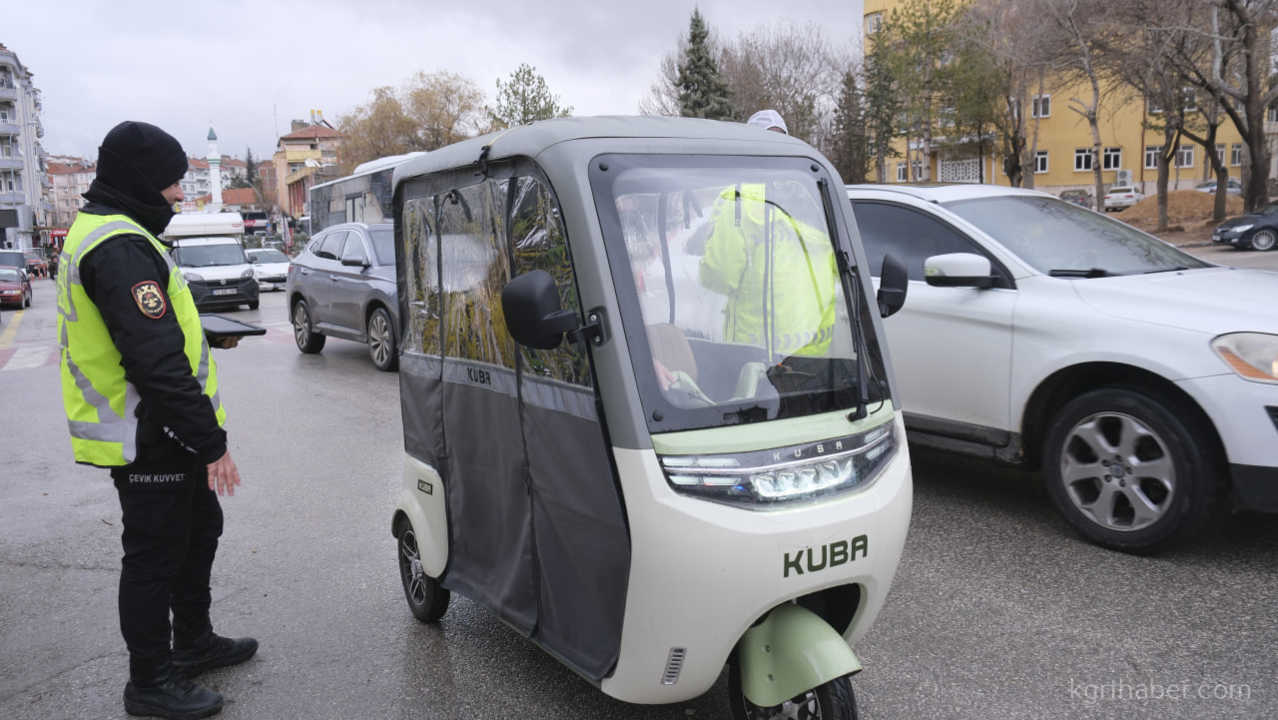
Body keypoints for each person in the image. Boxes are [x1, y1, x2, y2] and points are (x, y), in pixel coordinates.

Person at [56, 121, 256, 719]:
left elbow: (152, 335)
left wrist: (206, 339)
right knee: (153, 555)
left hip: (163, 426)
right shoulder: (118, 245)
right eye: (172, 182)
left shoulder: (120, 234)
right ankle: (150, 682)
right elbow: (155, 360)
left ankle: (192, 642)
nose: (177, 194)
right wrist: (211, 442)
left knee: (199, 532)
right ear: (143, 178)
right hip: (148, 431)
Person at [698, 110, 838, 360]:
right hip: (816, 344)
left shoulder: (739, 200)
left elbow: (719, 275)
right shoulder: (812, 193)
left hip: (762, 353)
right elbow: (836, 265)